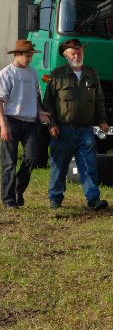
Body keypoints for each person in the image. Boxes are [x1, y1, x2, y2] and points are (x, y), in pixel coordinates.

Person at [42, 39, 109, 210]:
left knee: (89, 165)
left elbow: (99, 101)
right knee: (59, 166)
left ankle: (93, 199)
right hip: (63, 129)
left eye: (79, 51)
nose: (77, 55)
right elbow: (48, 103)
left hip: (85, 130)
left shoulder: (92, 74)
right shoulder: (57, 75)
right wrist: (51, 125)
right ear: (66, 55)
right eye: (73, 52)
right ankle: (55, 199)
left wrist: (102, 121)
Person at [0, 39, 49, 209]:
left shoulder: (33, 74)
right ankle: (8, 200)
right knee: (9, 162)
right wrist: (3, 125)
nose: (30, 59)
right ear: (17, 54)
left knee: (33, 157)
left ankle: (18, 189)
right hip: (11, 120)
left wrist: (40, 112)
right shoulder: (6, 74)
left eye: (31, 56)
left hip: (30, 123)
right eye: (28, 56)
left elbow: (36, 96)